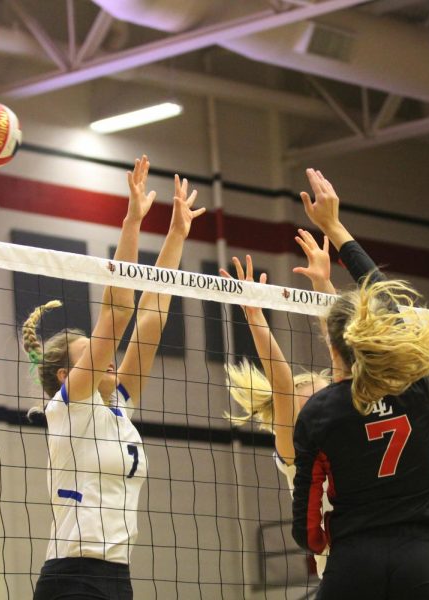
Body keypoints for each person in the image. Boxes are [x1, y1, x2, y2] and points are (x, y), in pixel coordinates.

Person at [24, 158, 204, 600]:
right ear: (68, 375)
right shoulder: (69, 405)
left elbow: (153, 316)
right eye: (93, 356)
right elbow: (117, 313)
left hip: (117, 577)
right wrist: (131, 222)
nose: (108, 360)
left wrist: (176, 236)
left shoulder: (118, 405)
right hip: (71, 579)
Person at [291, 168, 429, 599]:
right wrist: (334, 225)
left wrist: (314, 542)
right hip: (418, 554)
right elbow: (386, 299)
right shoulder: (413, 380)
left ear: (333, 346)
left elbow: (307, 507)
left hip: (353, 556)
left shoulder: (320, 410)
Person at [221, 246, 333, 575]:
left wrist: (325, 287)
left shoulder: (355, 436)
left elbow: (344, 351)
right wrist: (256, 318)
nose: (323, 411)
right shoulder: (296, 459)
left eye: (325, 400)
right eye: (311, 408)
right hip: (341, 578)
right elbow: (282, 387)